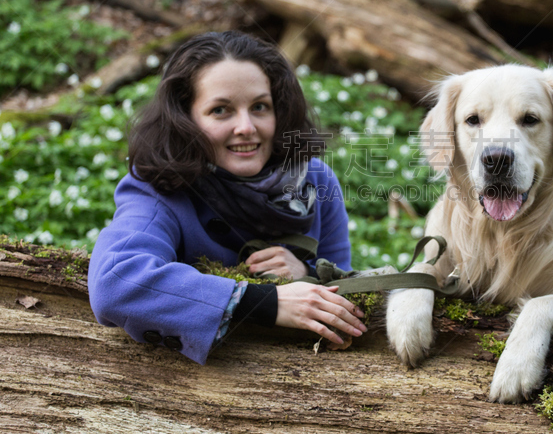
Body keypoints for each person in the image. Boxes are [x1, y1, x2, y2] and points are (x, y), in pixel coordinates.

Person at [88, 31, 366, 364]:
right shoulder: (159, 187)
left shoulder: (316, 179)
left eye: (260, 107)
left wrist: (307, 271)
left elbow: (348, 292)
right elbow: (115, 282)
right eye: (221, 110)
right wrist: (268, 302)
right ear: (185, 118)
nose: (246, 127)